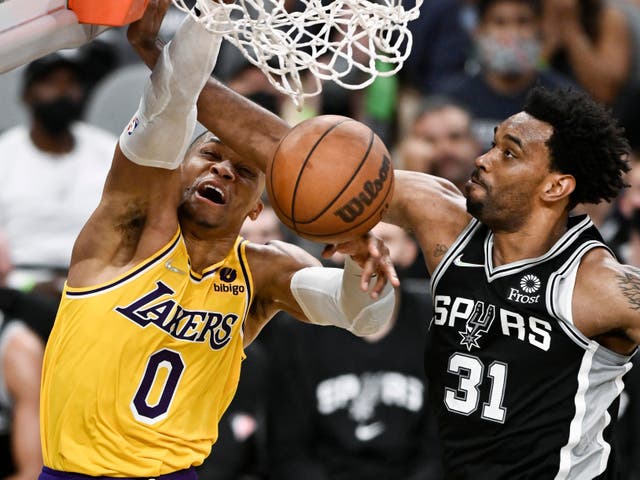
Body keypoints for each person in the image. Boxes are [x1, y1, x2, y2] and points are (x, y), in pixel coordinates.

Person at [132, 4, 640, 472]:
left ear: (556, 186)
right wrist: (165, 62)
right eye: (491, 144)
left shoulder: (599, 286)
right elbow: (295, 151)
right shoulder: (443, 220)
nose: (483, 159)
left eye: (509, 153)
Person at [38, 1, 399, 479]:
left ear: (257, 207)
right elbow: (167, 111)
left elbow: (362, 315)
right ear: (180, 168)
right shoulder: (126, 227)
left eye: (245, 171)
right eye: (209, 154)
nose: (224, 169)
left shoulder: (263, 271)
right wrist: (213, 12)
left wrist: (360, 263)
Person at [267, 222, 443, 480]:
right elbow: (287, 450)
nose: (373, 253)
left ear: (410, 250)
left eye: (386, 241)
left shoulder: (434, 321)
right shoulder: (300, 327)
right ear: (337, 250)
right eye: (362, 241)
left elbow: (440, 446)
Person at [0, 52, 115, 297]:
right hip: (18, 285)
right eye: (51, 82)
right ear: (27, 94)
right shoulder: (5, 154)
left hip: (95, 286)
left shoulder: (109, 151)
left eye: (70, 82)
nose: (63, 91)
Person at [438, 0, 572, 150]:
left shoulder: (563, 100)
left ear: (539, 28)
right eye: (499, 22)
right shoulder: (451, 100)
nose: (512, 33)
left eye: (522, 21)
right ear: (479, 31)